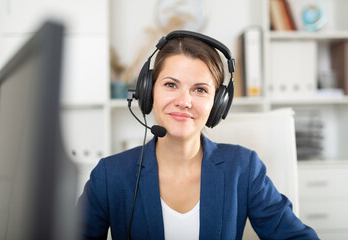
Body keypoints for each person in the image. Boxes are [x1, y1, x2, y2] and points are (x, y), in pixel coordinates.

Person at [77, 31, 319, 240]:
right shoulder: (110, 176)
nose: (184, 101)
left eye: (200, 90)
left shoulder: (244, 169)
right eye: (171, 85)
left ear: (218, 104)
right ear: (148, 91)